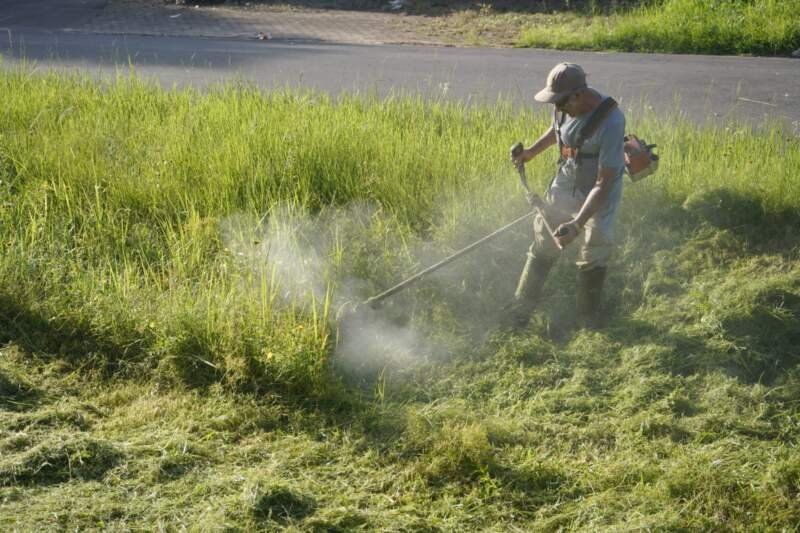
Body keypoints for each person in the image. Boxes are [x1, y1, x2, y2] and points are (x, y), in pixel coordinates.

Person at [506, 62, 625, 329]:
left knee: (593, 246)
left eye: (560, 102)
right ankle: (520, 311)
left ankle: (588, 322)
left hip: (599, 188)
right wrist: (531, 152)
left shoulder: (611, 122)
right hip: (567, 177)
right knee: (545, 235)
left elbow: (604, 182)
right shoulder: (563, 106)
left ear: (578, 95)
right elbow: (557, 130)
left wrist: (577, 224)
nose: (556, 108)